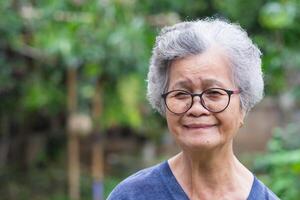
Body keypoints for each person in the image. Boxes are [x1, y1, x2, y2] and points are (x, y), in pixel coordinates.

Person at [108, 18, 279, 200]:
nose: (197, 109)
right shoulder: (132, 195)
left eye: (214, 92)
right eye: (181, 94)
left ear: (242, 106)